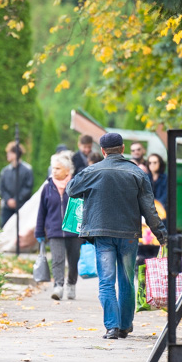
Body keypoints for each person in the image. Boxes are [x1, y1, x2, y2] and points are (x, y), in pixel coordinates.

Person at [67, 132, 167, 340]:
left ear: (102, 151)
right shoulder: (137, 173)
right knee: (126, 280)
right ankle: (124, 326)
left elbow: (71, 189)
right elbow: (149, 209)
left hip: (102, 234)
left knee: (106, 281)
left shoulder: (92, 171)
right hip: (128, 235)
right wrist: (161, 233)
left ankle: (111, 327)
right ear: (123, 149)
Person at [35, 151, 81, 301]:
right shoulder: (47, 187)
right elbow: (41, 211)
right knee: (57, 259)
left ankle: (71, 284)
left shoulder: (76, 185)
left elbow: (82, 208)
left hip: (74, 231)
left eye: (58, 168)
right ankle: (58, 287)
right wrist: (39, 231)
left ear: (67, 170)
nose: (54, 171)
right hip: (54, 230)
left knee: (73, 261)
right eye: (53, 168)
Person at [0, 141, 34, 228]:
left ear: (15, 154)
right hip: (7, 208)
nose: (7, 155)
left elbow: (28, 188)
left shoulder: (27, 170)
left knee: (21, 230)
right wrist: (8, 200)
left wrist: (16, 200)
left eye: (9, 153)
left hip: (22, 207)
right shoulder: (5, 171)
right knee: (5, 230)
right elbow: (1, 188)